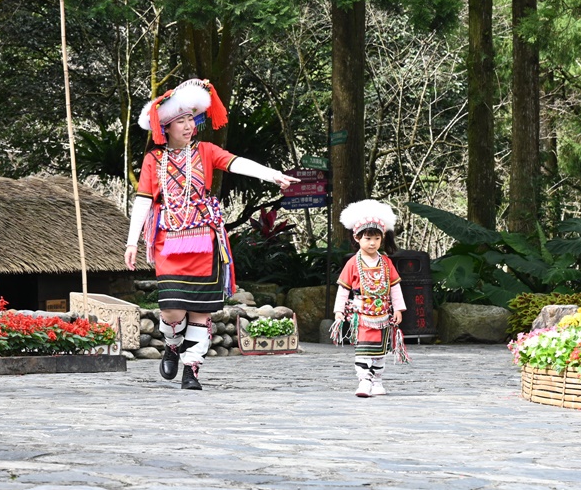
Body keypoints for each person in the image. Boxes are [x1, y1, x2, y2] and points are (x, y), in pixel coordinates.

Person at [123, 79, 298, 390]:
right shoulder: (154, 160)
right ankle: (172, 344)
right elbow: (143, 200)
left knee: (201, 312)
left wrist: (272, 175)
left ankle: (192, 369)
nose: (189, 126)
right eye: (181, 120)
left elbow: (236, 163)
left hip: (204, 240)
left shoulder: (205, 151)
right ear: (165, 127)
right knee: (172, 309)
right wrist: (131, 241)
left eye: (192, 118)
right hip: (167, 241)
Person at [331, 199, 408, 397]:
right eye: (367, 238)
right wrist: (339, 311)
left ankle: (378, 381)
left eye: (376, 238)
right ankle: (364, 381)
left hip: (383, 315)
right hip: (362, 315)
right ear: (357, 238)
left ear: (382, 239)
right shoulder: (352, 263)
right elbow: (343, 289)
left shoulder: (386, 262)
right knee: (364, 350)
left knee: (381, 352)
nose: (372, 243)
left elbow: (395, 286)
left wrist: (398, 309)